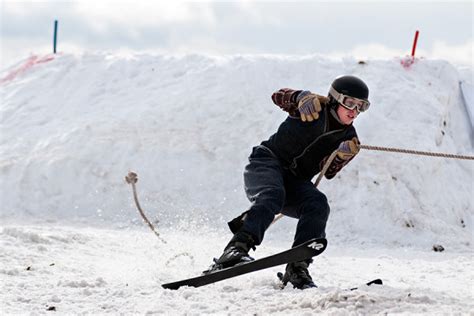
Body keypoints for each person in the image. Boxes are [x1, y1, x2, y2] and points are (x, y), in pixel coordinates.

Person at [206, 75, 371, 289]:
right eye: (350, 103)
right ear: (334, 99)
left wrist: (341, 157)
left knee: (317, 204)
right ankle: (236, 248)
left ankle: (297, 267)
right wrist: (300, 97)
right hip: (266, 163)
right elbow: (278, 96)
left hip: (295, 182)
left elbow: (328, 171)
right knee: (273, 195)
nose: (354, 110)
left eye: (361, 107)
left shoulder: (349, 137)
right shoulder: (313, 107)